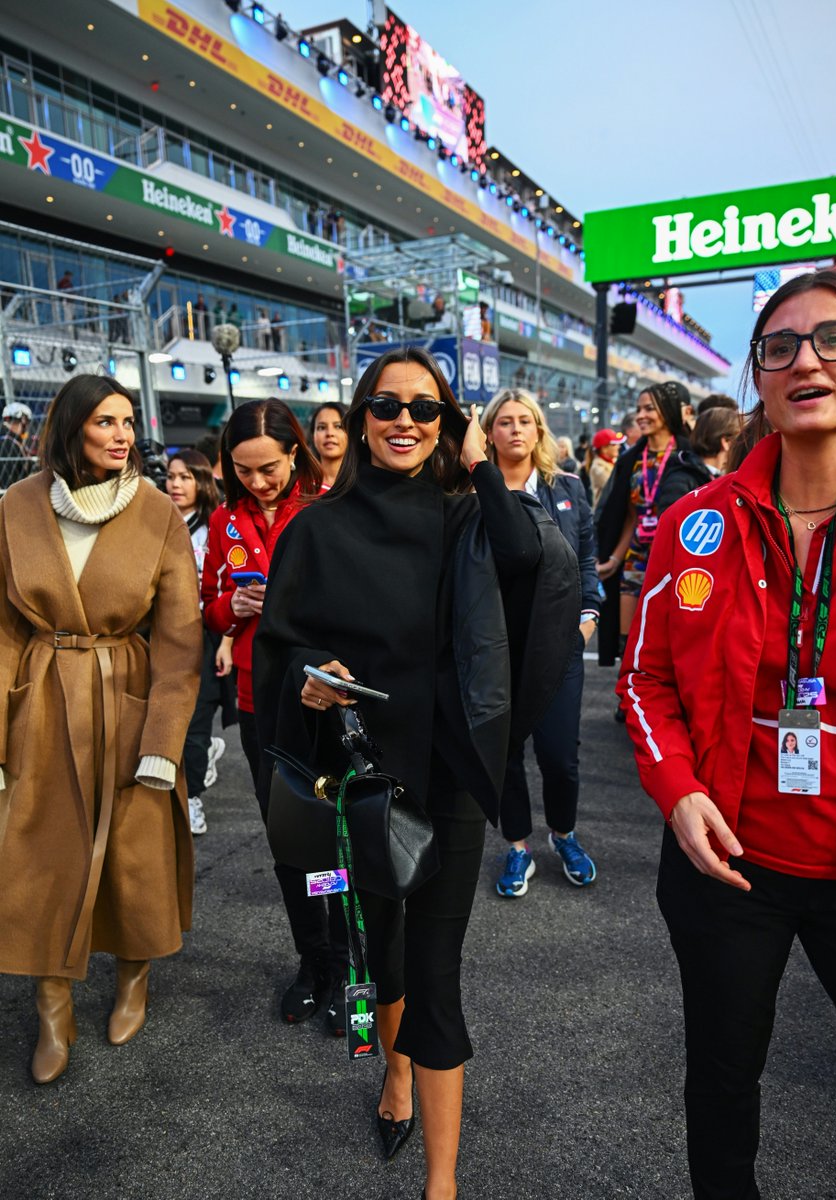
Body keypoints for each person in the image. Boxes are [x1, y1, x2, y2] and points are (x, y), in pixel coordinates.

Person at [253, 347, 577, 1199]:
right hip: (359, 774)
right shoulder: (315, 528)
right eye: (388, 405)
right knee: (381, 952)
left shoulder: (468, 511)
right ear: (361, 417)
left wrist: (477, 459)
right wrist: (309, 678)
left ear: (449, 421)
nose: (406, 421)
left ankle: (443, 1185)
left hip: (452, 769)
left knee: (435, 974)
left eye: (427, 409)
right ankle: (393, 1075)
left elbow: (526, 559)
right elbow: (279, 651)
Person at [617, 264, 836, 1197]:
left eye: (834, 339)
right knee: (724, 1092)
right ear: (758, 379)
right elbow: (645, 676)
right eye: (778, 348)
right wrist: (679, 791)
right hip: (728, 866)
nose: (804, 362)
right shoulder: (695, 523)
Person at [0, 374, 201, 1083]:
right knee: (36, 855)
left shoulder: (157, 513)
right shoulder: (16, 508)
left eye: (127, 422)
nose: (122, 435)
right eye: (105, 422)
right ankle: (52, 1005)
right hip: (44, 695)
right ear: (70, 428)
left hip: (128, 692)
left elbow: (180, 641)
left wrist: (163, 744)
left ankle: (133, 977)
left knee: (134, 853)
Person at [200, 400, 348, 1034]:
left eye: (268, 468)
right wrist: (231, 604)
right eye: (242, 470)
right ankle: (311, 963)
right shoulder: (223, 519)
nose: (257, 482)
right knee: (289, 838)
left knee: (334, 837)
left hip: (320, 700)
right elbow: (206, 605)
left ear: (295, 453)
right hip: (261, 708)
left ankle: (346, 968)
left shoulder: (329, 511)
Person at [481, 388, 600, 898]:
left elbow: (587, 561)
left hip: (560, 646)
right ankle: (518, 846)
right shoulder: (472, 493)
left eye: (524, 421)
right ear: (488, 432)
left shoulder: (567, 487)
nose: (514, 430)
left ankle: (564, 834)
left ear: (538, 430)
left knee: (559, 756)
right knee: (505, 753)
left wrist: (586, 621)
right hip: (498, 647)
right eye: (504, 422)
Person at [595, 381, 691, 673]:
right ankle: (627, 698)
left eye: (649, 408)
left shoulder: (687, 457)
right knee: (629, 639)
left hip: (675, 561)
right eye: (638, 409)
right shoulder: (631, 460)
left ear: (669, 411)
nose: (641, 415)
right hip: (636, 557)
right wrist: (614, 558)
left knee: (669, 638)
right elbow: (631, 517)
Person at [165, 449, 236, 835]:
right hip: (160, 637)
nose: (175, 484)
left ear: (202, 482)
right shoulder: (154, 524)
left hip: (204, 635)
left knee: (195, 721)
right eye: (172, 476)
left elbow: (225, 589)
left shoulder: (216, 528)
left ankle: (192, 797)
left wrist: (225, 640)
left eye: (185, 477)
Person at [308, 402, 348, 489]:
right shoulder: (301, 486)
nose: (329, 433)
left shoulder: (364, 483)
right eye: (321, 427)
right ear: (313, 435)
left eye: (338, 426)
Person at [589, 428, 625, 510]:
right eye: (614, 444)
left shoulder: (613, 462)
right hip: (605, 512)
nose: (618, 446)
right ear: (604, 449)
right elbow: (616, 487)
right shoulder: (598, 468)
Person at [0, 403, 31, 490]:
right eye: (26, 421)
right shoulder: (8, 443)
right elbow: (8, 482)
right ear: (22, 420)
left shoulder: (10, 440)